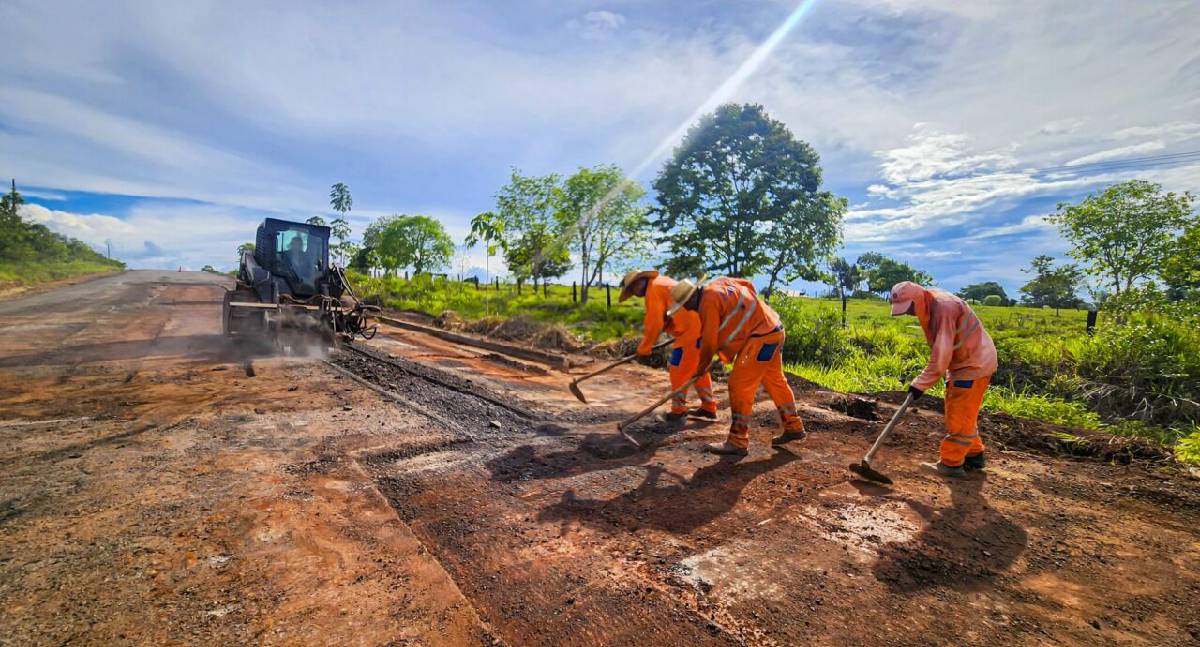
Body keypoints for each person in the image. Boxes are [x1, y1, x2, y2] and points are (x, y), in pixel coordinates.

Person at [668, 276, 805, 456]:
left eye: (685, 304)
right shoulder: (720, 282)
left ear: (692, 297)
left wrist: (701, 368)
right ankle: (793, 425)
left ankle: (737, 440)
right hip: (774, 329)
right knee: (775, 380)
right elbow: (748, 285)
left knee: (739, 386)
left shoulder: (707, 303)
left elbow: (709, 343)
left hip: (760, 338)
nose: (687, 309)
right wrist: (750, 315)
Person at [889, 281, 997, 478]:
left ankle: (951, 463)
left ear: (917, 300)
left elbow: (941, 355)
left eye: (910, 308)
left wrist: (920, 384)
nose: (909, 313)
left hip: (972, 365)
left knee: (958, 415)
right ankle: (974, 454)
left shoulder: (943, 308)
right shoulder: (931, 303)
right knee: (963, 412)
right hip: (965, 362)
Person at [618, 270, 718, 423]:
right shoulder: (661, 283)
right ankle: (708, 407)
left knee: (678, 370)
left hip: (691, 332)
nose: (635, 294)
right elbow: (668, 314)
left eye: (633, 289)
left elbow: (654, 322)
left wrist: (645, 346)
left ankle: (678, 411)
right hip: (699, 328)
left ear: (640, 282)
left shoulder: (654, 289)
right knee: (698, 370)